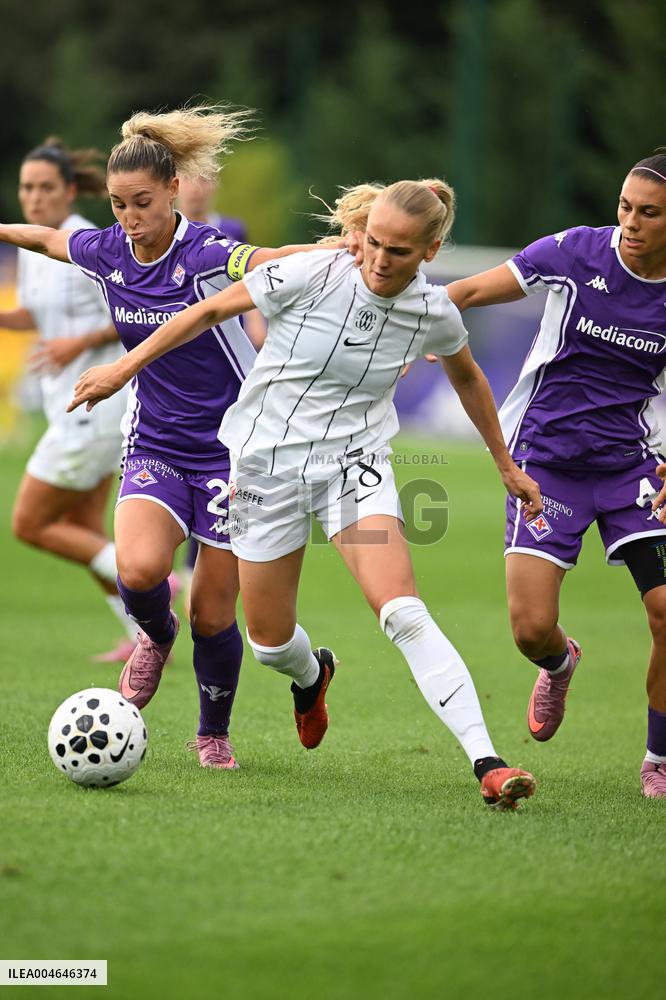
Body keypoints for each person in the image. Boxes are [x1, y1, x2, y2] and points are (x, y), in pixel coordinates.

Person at [68, 178, 543, 810]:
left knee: (402, 611)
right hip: (264, 470)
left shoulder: (434, 312)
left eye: (399, 251)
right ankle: (312, 674)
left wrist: (506, 464)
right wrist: (121, 369)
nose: (379, 260)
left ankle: (488, 762)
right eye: (374, 243)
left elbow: (471, 379)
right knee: (268, 643)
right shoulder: (312, 273)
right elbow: (207, 311)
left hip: (354, 470)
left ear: (430, 253)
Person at [0, 104, 340, 771]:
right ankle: (155, 635)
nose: (130, 217)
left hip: (233, 453)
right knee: (137, 569)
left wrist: (342, 249)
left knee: (215, 614)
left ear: (174, 191)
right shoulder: (107, 250)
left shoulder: (207, 253)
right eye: (119, 205)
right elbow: (44, 240)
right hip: (155, 441)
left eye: (143, 203)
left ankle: (213, 734)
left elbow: (272, 259)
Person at [440, 152, 666, 799]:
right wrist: (414, 332)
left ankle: (658, 759)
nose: (630, 222)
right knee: (531, 629)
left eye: (649, 213)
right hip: (545, 464)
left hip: (632, 468)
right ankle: (561, 663)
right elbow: (468, 291)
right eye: (625, 206)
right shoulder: (577, 253)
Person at [0, 137, 139, 659]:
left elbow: (133, 313)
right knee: (83, 530)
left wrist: (78, 344)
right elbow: (38, 314)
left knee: (30, 524)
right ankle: (146, 635)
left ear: (69, 191)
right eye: (26, 188)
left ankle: (155, 585)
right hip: (74, 407)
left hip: (96, 408)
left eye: (45, 187)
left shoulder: (87, 244)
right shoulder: (33, 246)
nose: (34, 197)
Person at [176, 175, 266, 621]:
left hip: (226, 371)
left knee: (224, 472)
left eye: (206, 179)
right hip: (180, 372)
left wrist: (256, 321)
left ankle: (205, 574)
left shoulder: (230, 229)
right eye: (190, 180)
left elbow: (253, 280)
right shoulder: (161, 235)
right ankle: (184, 575)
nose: (197, 188)